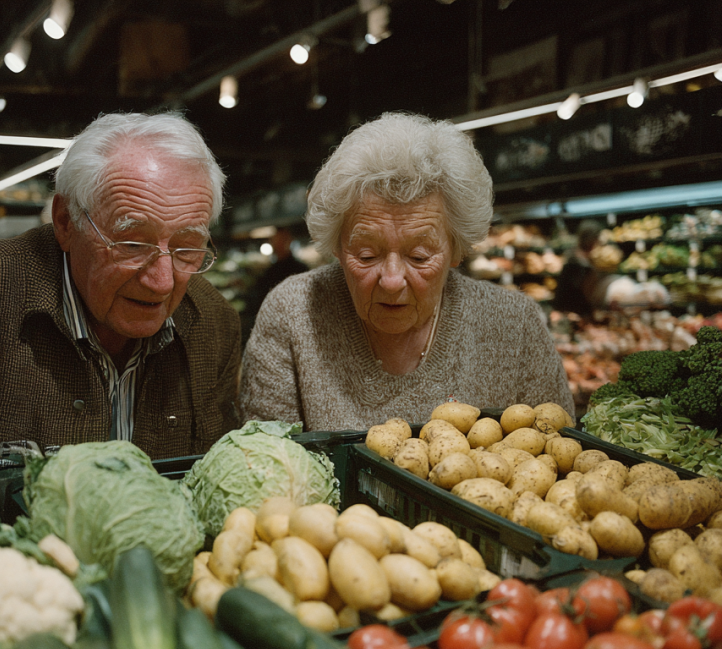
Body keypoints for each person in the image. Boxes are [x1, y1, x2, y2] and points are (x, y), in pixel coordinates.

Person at [0, 112, 241, 487]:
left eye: (187, 249)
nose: (162, 282)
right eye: (131, 243)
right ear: (65, 222)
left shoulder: (213, 323)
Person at [240, 112, 575, 431]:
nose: (391, 280)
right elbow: (265, 467)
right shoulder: (292, 313)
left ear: (455, 249)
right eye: (367, 255)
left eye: (418, 256)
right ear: (338, 249)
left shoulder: (515, 327)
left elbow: (561, 465)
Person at [241, 226, 308, 342]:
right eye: (275, 240)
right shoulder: (269, 271)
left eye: (281, 240)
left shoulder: (300, 269)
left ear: (289, 241)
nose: (278, 244)